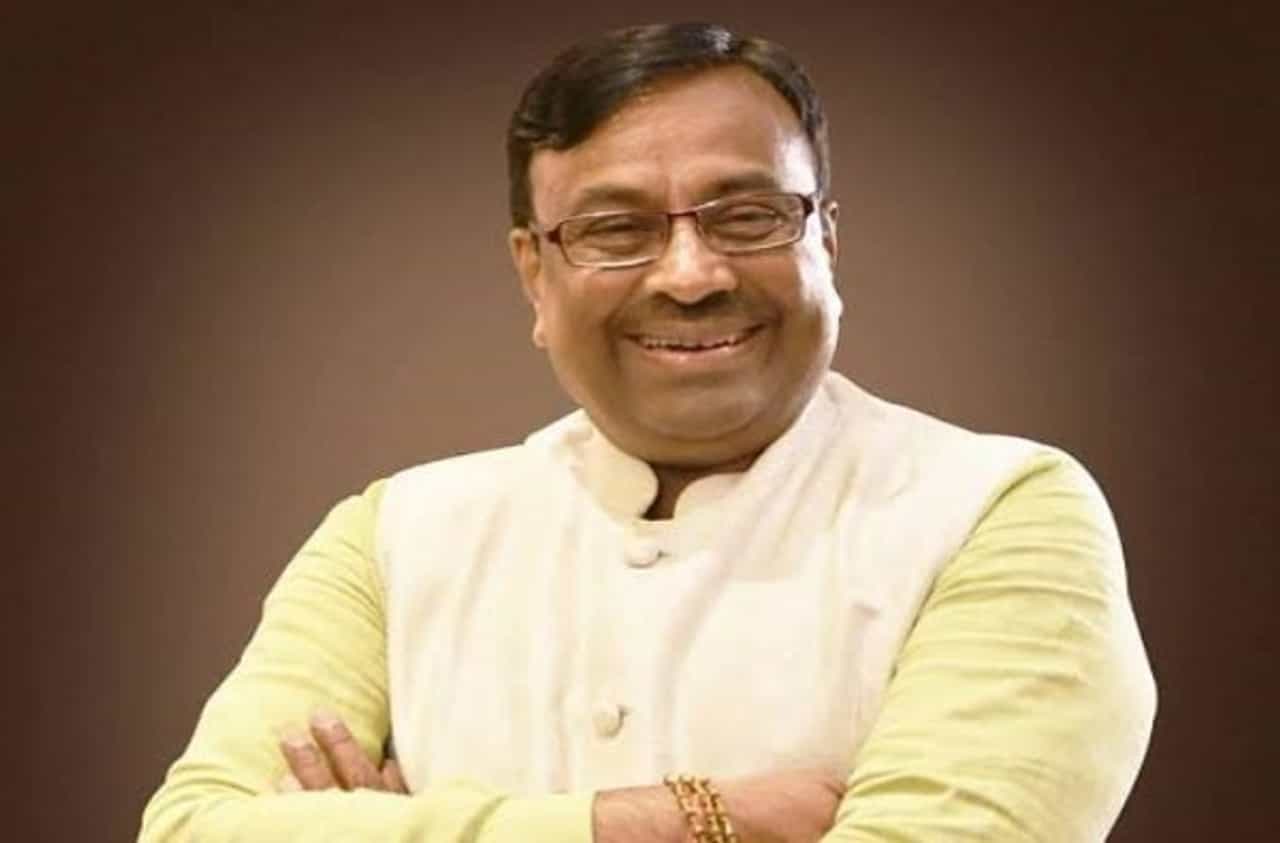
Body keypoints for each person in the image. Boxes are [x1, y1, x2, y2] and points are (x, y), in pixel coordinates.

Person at [138, 22, 1156, 842]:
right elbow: (192, 831)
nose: (691, 274)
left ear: (827, 241)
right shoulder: (393, 536)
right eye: (615, 229)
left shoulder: (999, 511)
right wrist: (672, 820)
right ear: (534, 274)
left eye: (746, 215)